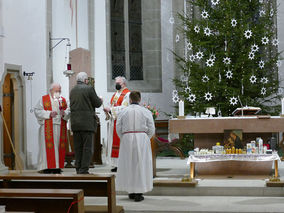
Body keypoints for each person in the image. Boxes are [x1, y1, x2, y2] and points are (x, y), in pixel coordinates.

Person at [115, 91, 155, 202]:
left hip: (127, 138)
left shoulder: (123, 112)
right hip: (142, 137)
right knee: (140, 164)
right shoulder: (145, 111)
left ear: (130, 100)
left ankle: (131, 191)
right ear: (139, 99)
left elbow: (118, 128)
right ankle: (138, 192)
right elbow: (151, 128)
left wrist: (124, 138)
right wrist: (145, 138)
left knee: (128, 164)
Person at [70, 72, 102, 174]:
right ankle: (84, 169)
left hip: (75, 123)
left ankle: (78, 167)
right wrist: (101, 100)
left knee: (78, 147)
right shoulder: (89, 89)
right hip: (87, 123)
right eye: (87, 80)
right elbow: (97, 103)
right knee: (87, 148)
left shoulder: (73, 90)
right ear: (85, 80)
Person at [34, 83, 70, 172]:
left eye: (59, 91)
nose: (58, 93)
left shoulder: (63, 101)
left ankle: (57, 166)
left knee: (58, 147)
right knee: (48, 147)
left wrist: (64, 113)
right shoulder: (44, 99)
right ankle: (46, 167)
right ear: (51, 91)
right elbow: (37, 110)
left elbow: (69, 111)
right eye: (56, 91)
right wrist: (49, 114)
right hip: (48, 127)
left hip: (60, 127)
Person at [103, 76, 130, 172]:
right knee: (112, 143)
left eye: (118, 83)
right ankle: (115, 164)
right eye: (116, 83)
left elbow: (124, 108)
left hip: (121, 123)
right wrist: (107, 109)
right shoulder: (115, 94)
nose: (116, 84)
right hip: (113, 121)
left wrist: (111, 109)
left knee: (119, 143)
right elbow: (112, 106)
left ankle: (121, 164)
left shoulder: (127, 94)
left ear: (123, 83)